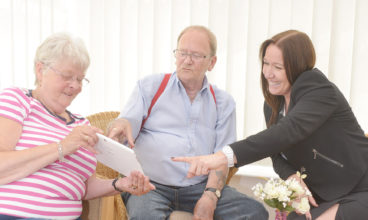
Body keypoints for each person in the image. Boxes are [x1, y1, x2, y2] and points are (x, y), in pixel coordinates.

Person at [173, 29, 368, 219]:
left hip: (361, 185)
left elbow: (286, 132)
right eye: (266, 63)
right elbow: (276, 151)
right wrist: (291, 175)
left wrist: (221, 157)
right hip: (326, 194)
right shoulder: (273, 105)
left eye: (278, 67)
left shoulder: (317, 89)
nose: (268, 73)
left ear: (298, 68)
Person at [107, 25, 268, 220]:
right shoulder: (150, 87)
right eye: (182, 53)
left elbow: (222, 158)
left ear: (212, 62)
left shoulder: (223, 102)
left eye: (196, 55)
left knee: (254, 212)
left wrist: (210, 196)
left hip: (198, 188)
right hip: (149, 185)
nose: (187, 61)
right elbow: (126, 122)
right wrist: (120, 124)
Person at [0, 33, 155, 219]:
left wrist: (118, 185)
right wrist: (63, 147)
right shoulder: (17, 100)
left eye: (80, 79)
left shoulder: (81, 124)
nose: (75, 86)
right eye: (67, 76)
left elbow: (84, 188)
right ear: (40, 70)